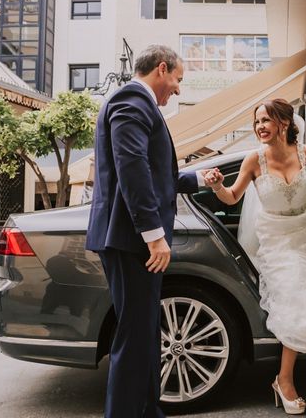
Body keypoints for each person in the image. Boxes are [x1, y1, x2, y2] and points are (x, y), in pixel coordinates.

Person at [205, 99, 306, 415]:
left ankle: (285, 376)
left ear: (283, 122)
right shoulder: (254, 160)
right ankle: (284, 380)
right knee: (297, 293)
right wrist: (217, 186)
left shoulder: (305, 155)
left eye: (265, 120)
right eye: (256, 123)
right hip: (277, 240)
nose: (260, 127)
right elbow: (232, 197)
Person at [85, 45, 208, 418]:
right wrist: (154, 235)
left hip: (129, 239)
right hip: (131, 240)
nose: (178, 89)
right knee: (135, 337)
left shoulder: (137, 103)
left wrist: (200, 177)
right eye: (178, 79)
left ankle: (147, 411)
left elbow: (154, 172)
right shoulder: (131, 100)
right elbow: (132, 165)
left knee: (145, 333)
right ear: (161, 68)